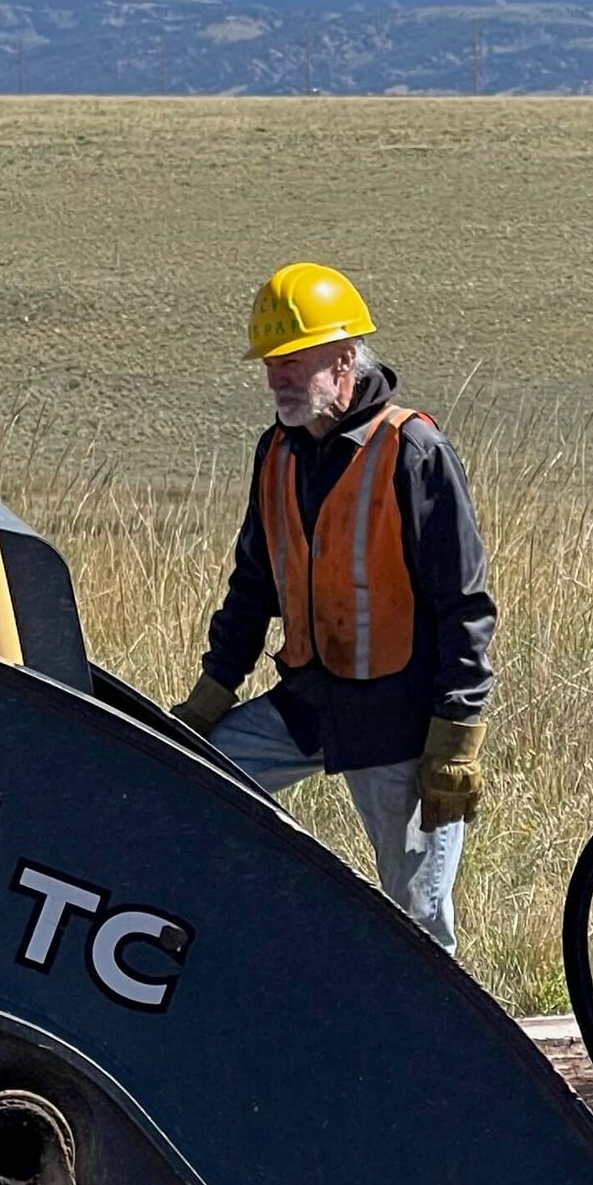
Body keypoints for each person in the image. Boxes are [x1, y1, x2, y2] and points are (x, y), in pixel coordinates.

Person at [170, 262, 495, 953]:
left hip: (397, 723)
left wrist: (456, 734)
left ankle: (433, 1050)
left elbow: (463, 603)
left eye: (292, 362)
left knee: (417, 918)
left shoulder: (414, 452)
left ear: (344, 358)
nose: (275, 380)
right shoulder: (277, 452)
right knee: (190, 787)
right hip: (307, 705)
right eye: (270, 365)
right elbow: (252, 584)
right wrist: (209, 697)